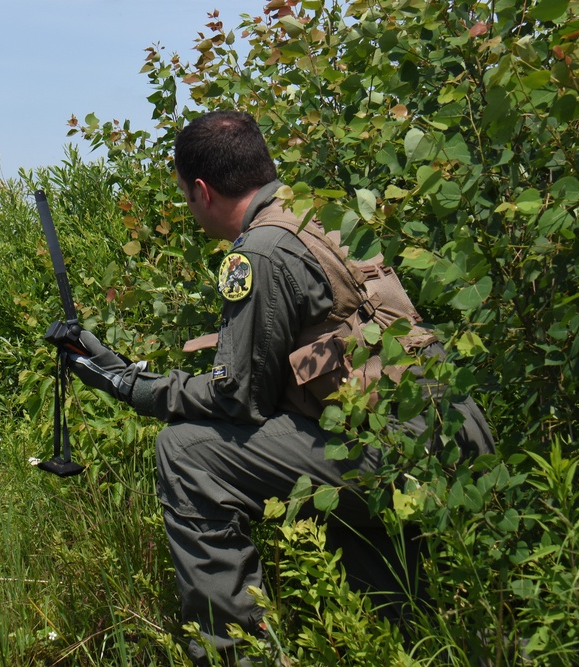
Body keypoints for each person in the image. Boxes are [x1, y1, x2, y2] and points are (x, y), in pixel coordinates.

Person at [63, 110, 495, 665]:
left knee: (186, 452)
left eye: (184, 197)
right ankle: (440, 643)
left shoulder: (258, 253)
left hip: (391, 451)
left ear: (201, 190)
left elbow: (238, 400)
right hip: (450, 430)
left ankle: (235, 655)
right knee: (318, 464)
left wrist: (131, 385)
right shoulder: (322, 212)